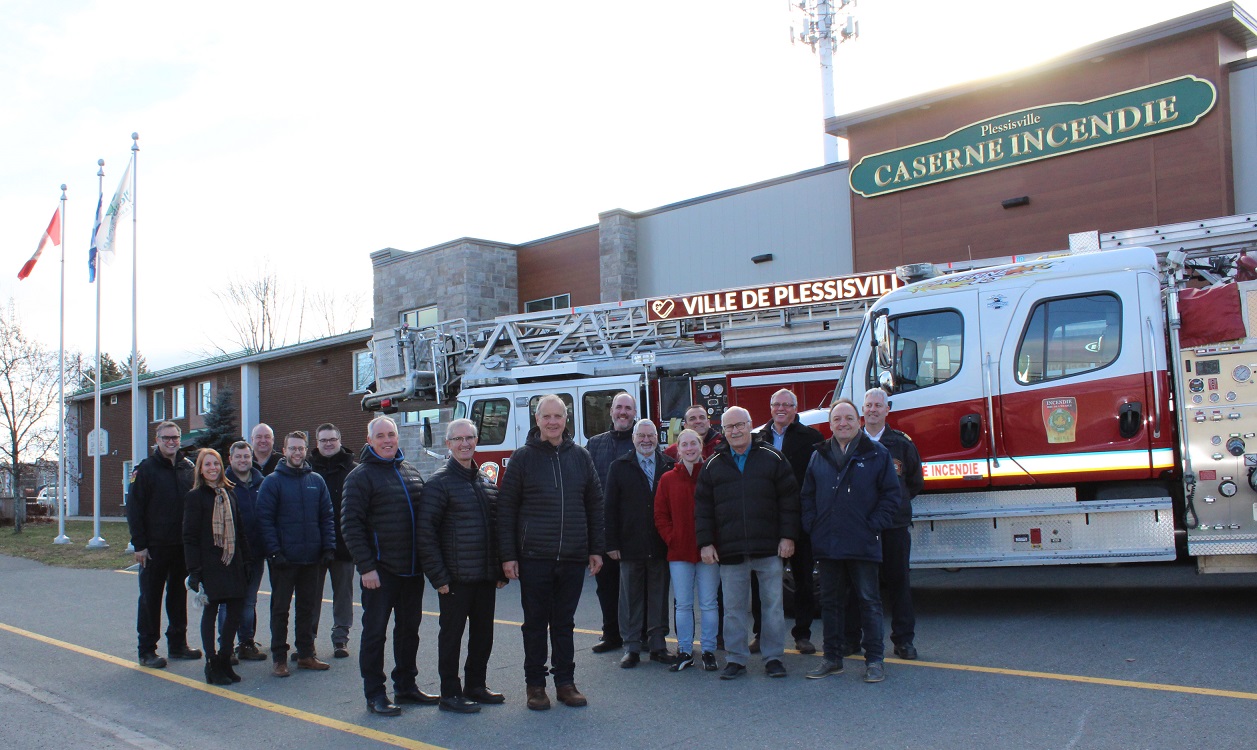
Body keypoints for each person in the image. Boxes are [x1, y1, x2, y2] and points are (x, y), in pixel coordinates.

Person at [498, 394, 604, 711]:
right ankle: (535, 686)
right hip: (534, 557)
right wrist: (508, 555)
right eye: (547, 416)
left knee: (563, 624)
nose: (553, 422)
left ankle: (565, 683)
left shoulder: (581, 457)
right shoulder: (522, 459)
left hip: (572, 556)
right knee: (534, 624)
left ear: (566, 419)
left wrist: (596, 548)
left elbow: (595, 505)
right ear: (537, 419)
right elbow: (506, 510)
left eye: (558, 416)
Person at [801, 399, 902, 684]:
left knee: (869, 601)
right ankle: (832, 659)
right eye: (837, 419)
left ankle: (875, 660)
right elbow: (807, 495)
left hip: (863, 541)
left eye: (847, 418)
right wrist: (812, 525)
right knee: (830, 603)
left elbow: (891, 496)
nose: (842, 423)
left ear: (858, 421)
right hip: (828, 542)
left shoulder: (877, 453)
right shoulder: (818, 455)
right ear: (830, 424)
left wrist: (874, 525)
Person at [694, 406, 799, 680]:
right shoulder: (713, 465)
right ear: (723, 431)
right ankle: (736, 659)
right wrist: (705, 543)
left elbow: (789, 500)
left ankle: (774, 658)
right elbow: (703, 508)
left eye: (740, 425)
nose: (735, 431)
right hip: (730, 551)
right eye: (729, 427)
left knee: (773, 607)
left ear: (750, 425)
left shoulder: (773, 458)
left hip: (769, 548)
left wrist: (788, 537)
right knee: (733, 609)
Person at [341, 416, 437, 716]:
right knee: (375, 634)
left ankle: (406, 686)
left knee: (409, 632)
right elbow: (350, 525)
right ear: (369, 441)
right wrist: (366, 567)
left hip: (411, 571)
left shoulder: (409, 471)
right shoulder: (359, 477)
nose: (387, 440)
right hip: (380, 573)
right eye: (380, 436)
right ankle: (375, 694)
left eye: (391, 435)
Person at [418, 418, 507, 714]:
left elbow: (495, 529)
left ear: (476, 441)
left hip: (483, 577)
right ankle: (449, 694)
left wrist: (497, 571)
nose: (465, 443)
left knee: (483, 634)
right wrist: (439, 576)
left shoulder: (486, 483)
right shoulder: (439, 483)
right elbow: (426, 534)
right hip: (454, 579)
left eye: (469, 438)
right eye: (458, 439)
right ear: (448, 444)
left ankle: (475, 685)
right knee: (452, 637)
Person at [843, 388, 924, 660]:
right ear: (862, 411)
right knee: (856, 586)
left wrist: (894, 508)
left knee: (899, 583)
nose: (873, 410)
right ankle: (851, 639)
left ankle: (903, 641)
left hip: (893, 527)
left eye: (878, 405)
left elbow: (913, 482)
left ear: (887, 410)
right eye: (868, 405)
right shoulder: (851, 441)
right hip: (859, 527)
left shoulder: (901, 444)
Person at [256, 431, 336, 678]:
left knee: (307, 608)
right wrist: (274, 552)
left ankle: (305, 654)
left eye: (301, 448)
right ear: (284, 449)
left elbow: (327, 517)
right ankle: (279, 658)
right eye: (293, 448)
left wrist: (328, 547)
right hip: (284, 559)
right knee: (280, 610)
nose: (297, 453)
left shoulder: (316, 481)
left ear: (306, 450)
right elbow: (264, 520)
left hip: (311, 558)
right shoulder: (272, 482)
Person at [751, 389, 823, 655]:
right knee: (761, 581)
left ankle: (802, 635)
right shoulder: (757, 438)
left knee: (803, 579)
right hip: (767, 522)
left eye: (787, 404)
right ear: (770, 408)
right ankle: (761, 634)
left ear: (796, 409)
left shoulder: (812, 438)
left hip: (801, 518)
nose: (781, 408)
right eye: (776, 404)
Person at [126, 421, 202, 668]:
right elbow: (134, 510)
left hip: (181, 547)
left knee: (178, 596)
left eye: (175, 437)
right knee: (150, 599)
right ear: (157, 440)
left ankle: (178, 644)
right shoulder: (145, 470)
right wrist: (139, 545)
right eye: (166, 438)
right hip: (154, 548)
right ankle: (147, 650)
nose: (171, 442)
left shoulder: (187, 468)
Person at [605, 419, 675, 668]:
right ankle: (632, 647)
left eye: (651, 435)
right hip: (629, 543)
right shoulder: (619, 467)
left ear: (657, 438)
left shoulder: (669, 465)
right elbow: (609, 508)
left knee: (658, 596)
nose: (646, 440)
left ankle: (658, 645)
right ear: (633, 438)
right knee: (630, 598)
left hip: (660, 544)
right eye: (641, 436)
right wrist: (611, 543)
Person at [654, 428, 720, 672]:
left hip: (708, 552)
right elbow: (660, 515)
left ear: (701, 447)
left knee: (709, 603)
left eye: (694, 443)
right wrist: (672, 538)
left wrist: (713, 542)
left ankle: (709, 650)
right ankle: (684, 650)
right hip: (679, 552)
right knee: (682, 604)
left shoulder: (711, 475)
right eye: (685, 445)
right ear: (678, 450)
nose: (690, 448)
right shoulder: (667, 479)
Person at [183, 448, 249, 685]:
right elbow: (189, 536)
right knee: (211, 612)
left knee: (234, 613)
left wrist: (246, 561)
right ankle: (211, 664)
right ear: (200, 469)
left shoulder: (229, 493)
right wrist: (194, 571)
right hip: (209, 564)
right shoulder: (195, 497)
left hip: (232, 562)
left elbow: (239, 529)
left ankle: (224, 657)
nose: (212, 468)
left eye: (216, 464)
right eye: (207, 464)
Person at [582, 392, 637, 654]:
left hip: (634, 530)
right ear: (611, 411)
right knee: (606, 587)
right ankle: (611, 634)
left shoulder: (642, 441)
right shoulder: (594, 444)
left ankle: (641, 635)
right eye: (619, 408)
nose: (623, 412)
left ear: (634, 413)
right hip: (603, 529)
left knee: (637, 587)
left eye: (628, 408)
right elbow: (586, 489)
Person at [309, 422, 358, 660]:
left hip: (344, 545)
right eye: (323, 440)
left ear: (340, 441)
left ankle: (341, 639)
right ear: (316, 444)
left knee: (343, 595)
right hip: (314, 547)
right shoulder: (307, 470)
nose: (328, 444)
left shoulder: (353, 470)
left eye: (332, 440)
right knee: (311, 597)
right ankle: (307, 640)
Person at [218, 441, 268, 662]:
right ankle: (225, 647)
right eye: (238, 457)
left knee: (249, 601)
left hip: (256, 553)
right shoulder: (222, 484)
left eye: (246, 456)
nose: (243, 460)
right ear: (230, 459)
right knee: (228, 601)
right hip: (230, 554)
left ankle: (246, 643)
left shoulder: (262, 483)